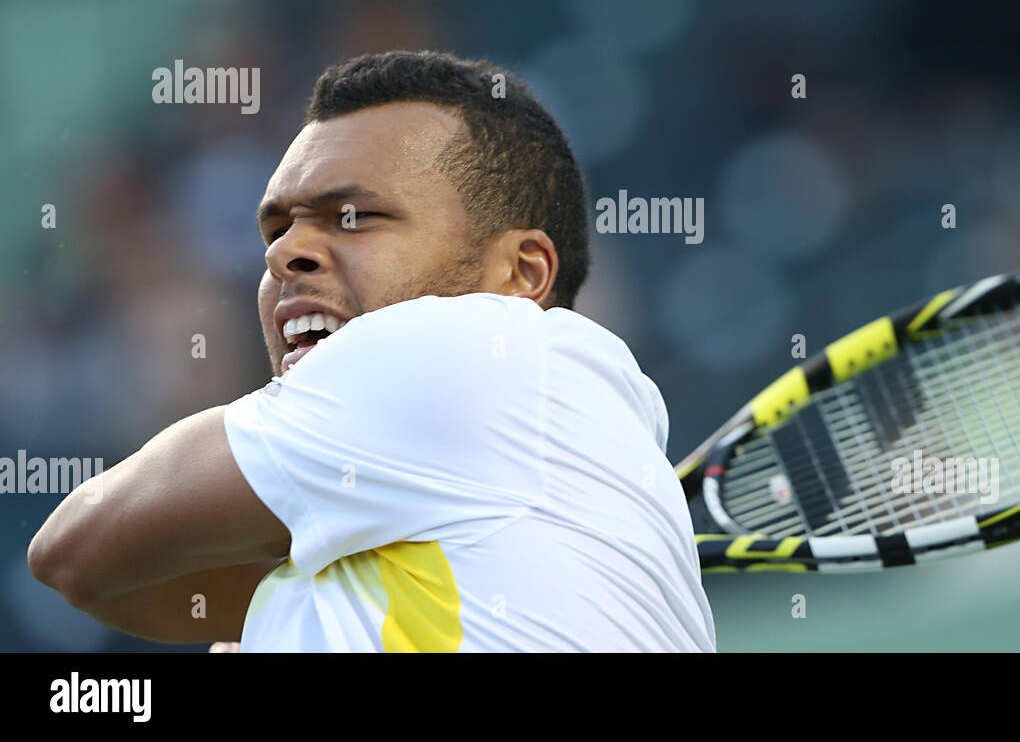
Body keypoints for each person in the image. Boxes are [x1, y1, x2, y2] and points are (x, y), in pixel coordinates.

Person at [28, 49, 717, 652]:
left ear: (522, 274)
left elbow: (76, 549)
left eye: (354, 218)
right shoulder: (542, 460)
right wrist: (287, 610)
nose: (284, 252)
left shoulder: (472, 352)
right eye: (277, 227)